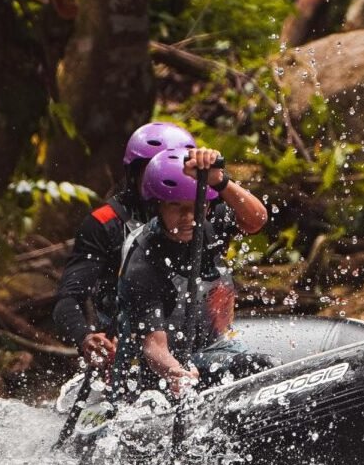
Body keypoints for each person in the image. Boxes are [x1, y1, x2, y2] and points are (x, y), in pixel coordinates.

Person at [116, 146, 271, 398]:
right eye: (176, 206)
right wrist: (176, 372)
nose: (189, 218)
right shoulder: (143, 262)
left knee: (260, 367)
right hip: (162, 370)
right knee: (253, 366)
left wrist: (220, 181)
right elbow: (154, 346)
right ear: (158, 206)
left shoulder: (211, 219)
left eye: (194, 207)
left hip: (215, 346)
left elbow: (257, 220)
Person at [53, 122, 197, 368]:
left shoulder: (202, 211)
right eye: (153, 172)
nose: (165, 181)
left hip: (193, 334)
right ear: (134, 175)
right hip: (132, 344)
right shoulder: (104, 224)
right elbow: (68, 299)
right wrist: (87, 337)